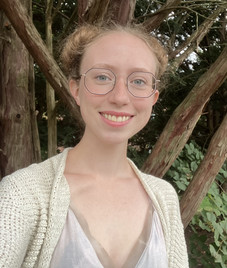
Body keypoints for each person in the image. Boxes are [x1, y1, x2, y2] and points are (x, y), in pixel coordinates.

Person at [0, 23, 189, 268]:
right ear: (76, 89)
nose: (120, 97)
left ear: (153, 98)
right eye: (102, 77)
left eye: (139, 81)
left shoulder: (164, 198)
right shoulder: (22, 195)